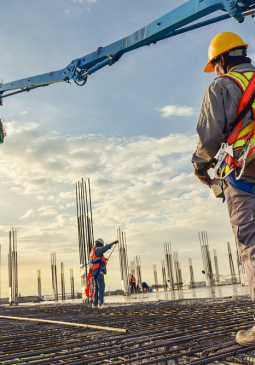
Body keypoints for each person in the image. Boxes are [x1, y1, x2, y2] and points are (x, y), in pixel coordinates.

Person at [192, 32, 255, 346]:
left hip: (245, 176)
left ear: (222, 59)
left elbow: (209, 137)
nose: (215, 71)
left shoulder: (222, 86)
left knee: (252, 246)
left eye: (214, 64)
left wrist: (200, 164)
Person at [90, 238, 118, 308]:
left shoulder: (93, 251)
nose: (102, 246)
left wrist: (104, 260)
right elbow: (105, 248)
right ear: (99, 244)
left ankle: (95, 303)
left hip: (94, 271)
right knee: (101, 286)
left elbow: (96, 260)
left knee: (96, 287)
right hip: (98, 271)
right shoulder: (98, 249)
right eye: (101, 245)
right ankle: (101, 303)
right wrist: (113, 243)